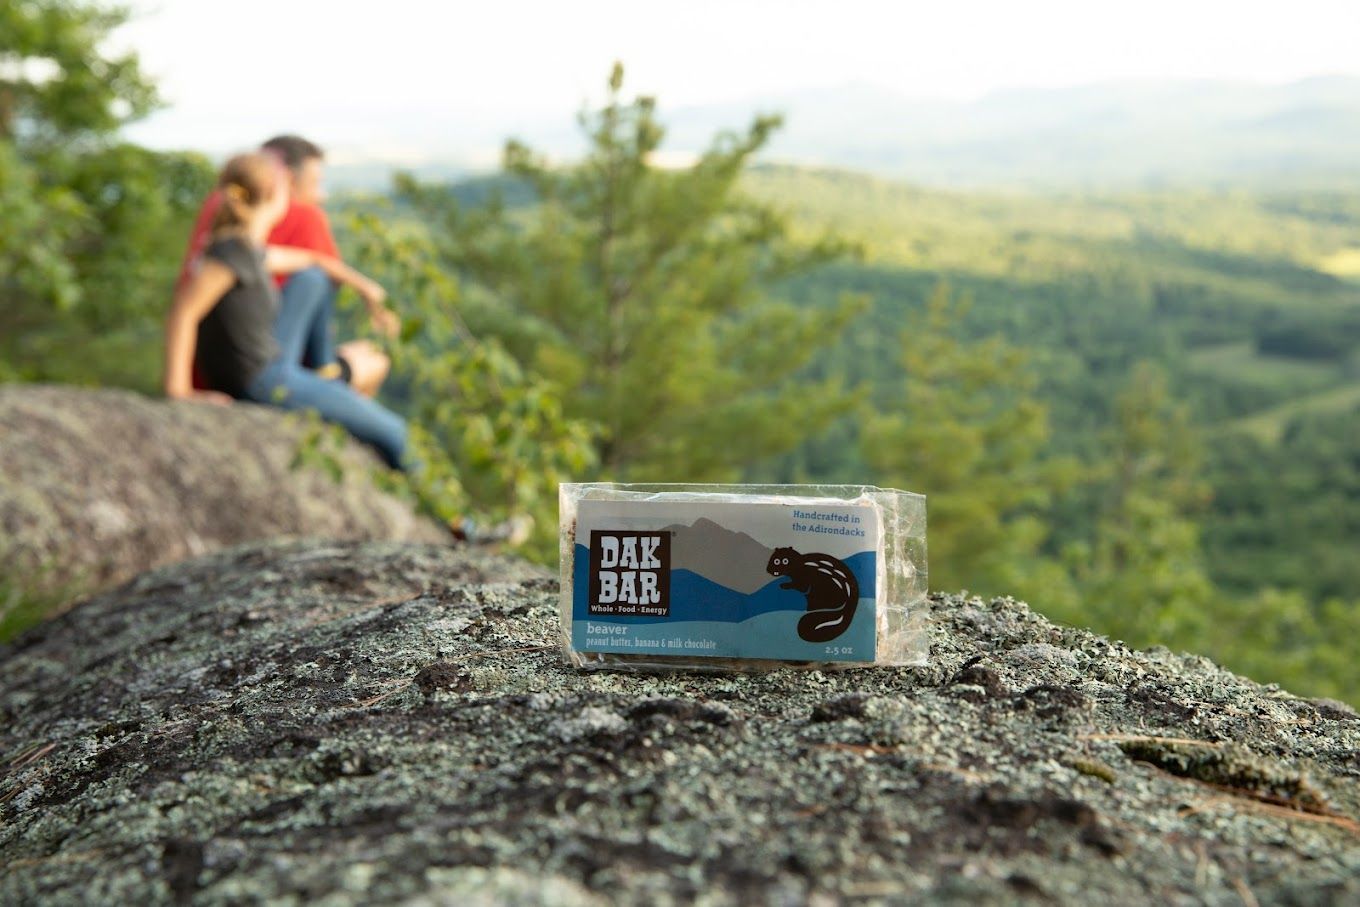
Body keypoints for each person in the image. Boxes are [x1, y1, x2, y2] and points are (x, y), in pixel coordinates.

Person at [165, 153, 409, 471]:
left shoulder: (245, 248)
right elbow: (183, 313)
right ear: (273, 197)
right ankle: (460, 522)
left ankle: (326, 373)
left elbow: (315, 261)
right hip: (262, 380)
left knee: (313, 279)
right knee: (395, 433)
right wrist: (178, 391)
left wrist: (367, 289)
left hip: (269, 361)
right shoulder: (230, 256)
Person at [175, 135, 395, 397]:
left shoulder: (220, 206)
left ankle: (328, 379)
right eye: (315, 183)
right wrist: (368, 290)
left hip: (203, 372)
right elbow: (323, 286)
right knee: (374, 360)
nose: (320, 195)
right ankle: (329, 390)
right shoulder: (306, 218)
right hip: (265, 372)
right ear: (286, 180)